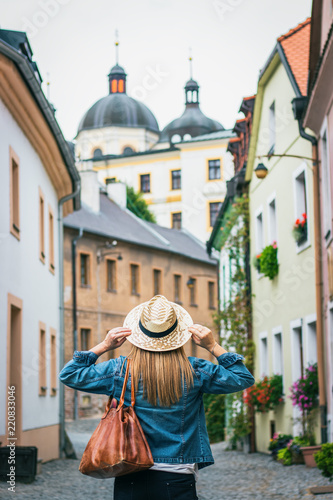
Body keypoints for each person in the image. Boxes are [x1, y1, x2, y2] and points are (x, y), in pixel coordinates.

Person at [59, 295, 255, 500]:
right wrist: (212, 345)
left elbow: (70, 374)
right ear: (178, 334)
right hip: (178, 473)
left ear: (139, 333)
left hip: (129, 469)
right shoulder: (195, 370)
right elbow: (242, 378)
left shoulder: (120, 370)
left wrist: (104, 346)